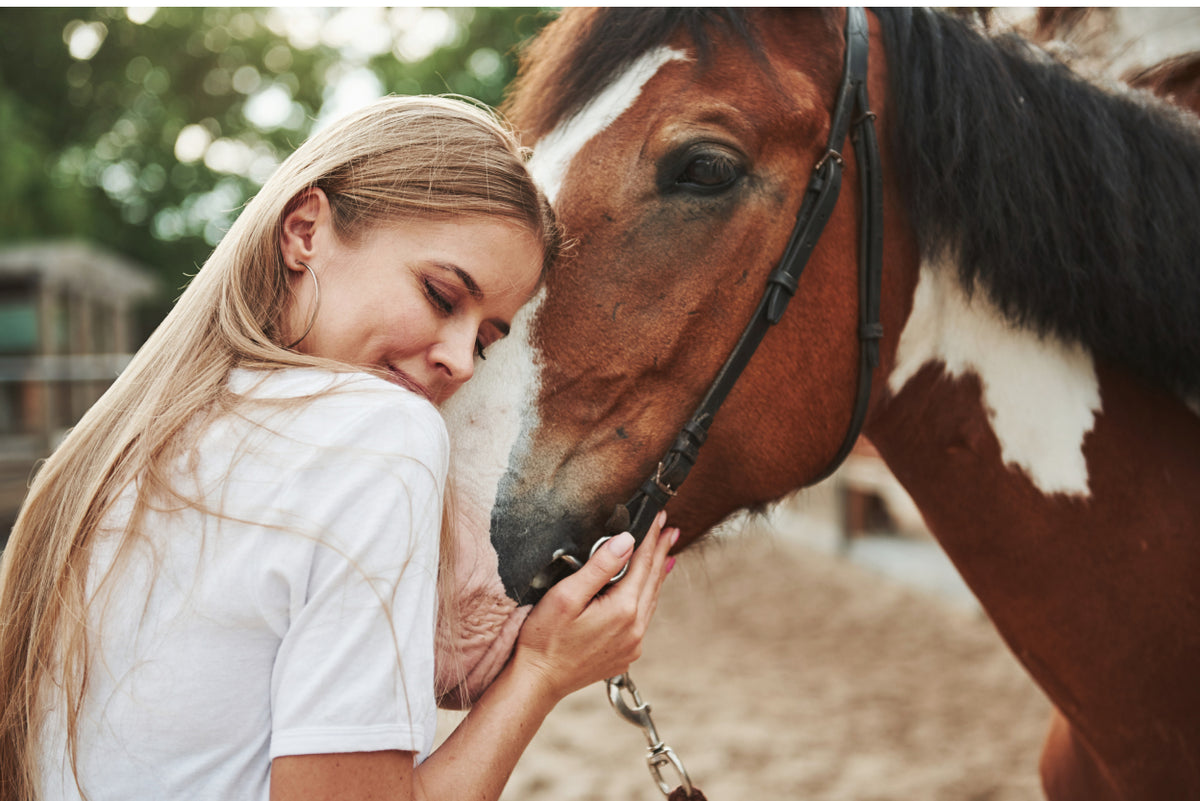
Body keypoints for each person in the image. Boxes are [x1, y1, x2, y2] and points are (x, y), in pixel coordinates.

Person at [0, 95, 676, 801]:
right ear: (304, 231)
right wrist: (542, 672)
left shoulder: (124, 449)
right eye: (442, 295)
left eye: (483, 339)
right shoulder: (381, 434)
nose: (461, 362)